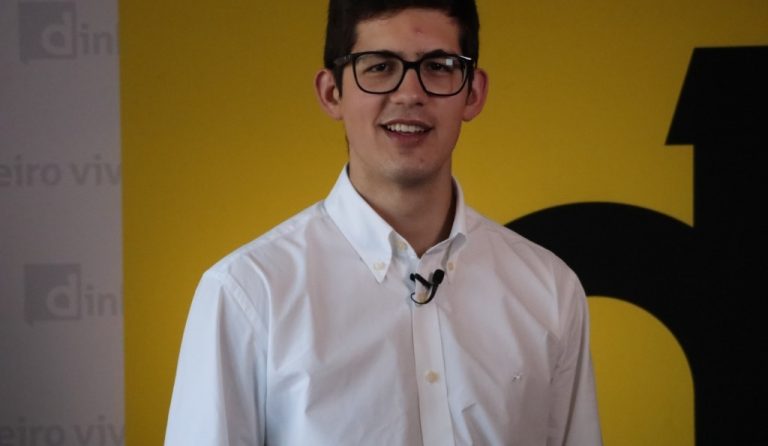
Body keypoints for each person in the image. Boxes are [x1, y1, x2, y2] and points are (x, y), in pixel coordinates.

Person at [164, 0, 603, 444]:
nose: (410, 93)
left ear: (473, 92)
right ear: (331, 93)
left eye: (438, 66)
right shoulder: (248, 293)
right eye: (379, 67)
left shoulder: (549, 290)